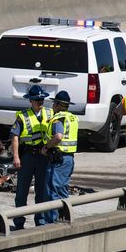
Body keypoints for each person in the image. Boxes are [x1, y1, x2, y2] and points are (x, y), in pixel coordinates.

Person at [9, 85, 53, 229]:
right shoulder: (22, 116)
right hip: (27, 156)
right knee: (22, 190)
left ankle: (40, 221)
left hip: (43, 156)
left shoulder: (49, 113)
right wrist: (16, 157)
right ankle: (19, 222)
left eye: (41, 99)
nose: (40, 102)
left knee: (41, 191)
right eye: (36, 100)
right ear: (30, 101)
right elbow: (15, 137)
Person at [41, 90, 79, 224]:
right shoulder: (72, 117)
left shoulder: (58, 119)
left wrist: (46, 147)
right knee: (63, 190)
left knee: (52, 190)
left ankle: (51, 222)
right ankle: (65, 218)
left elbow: (58, 136)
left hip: (59, 159)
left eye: (53, 104)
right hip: (69, 159)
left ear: (57, 105)